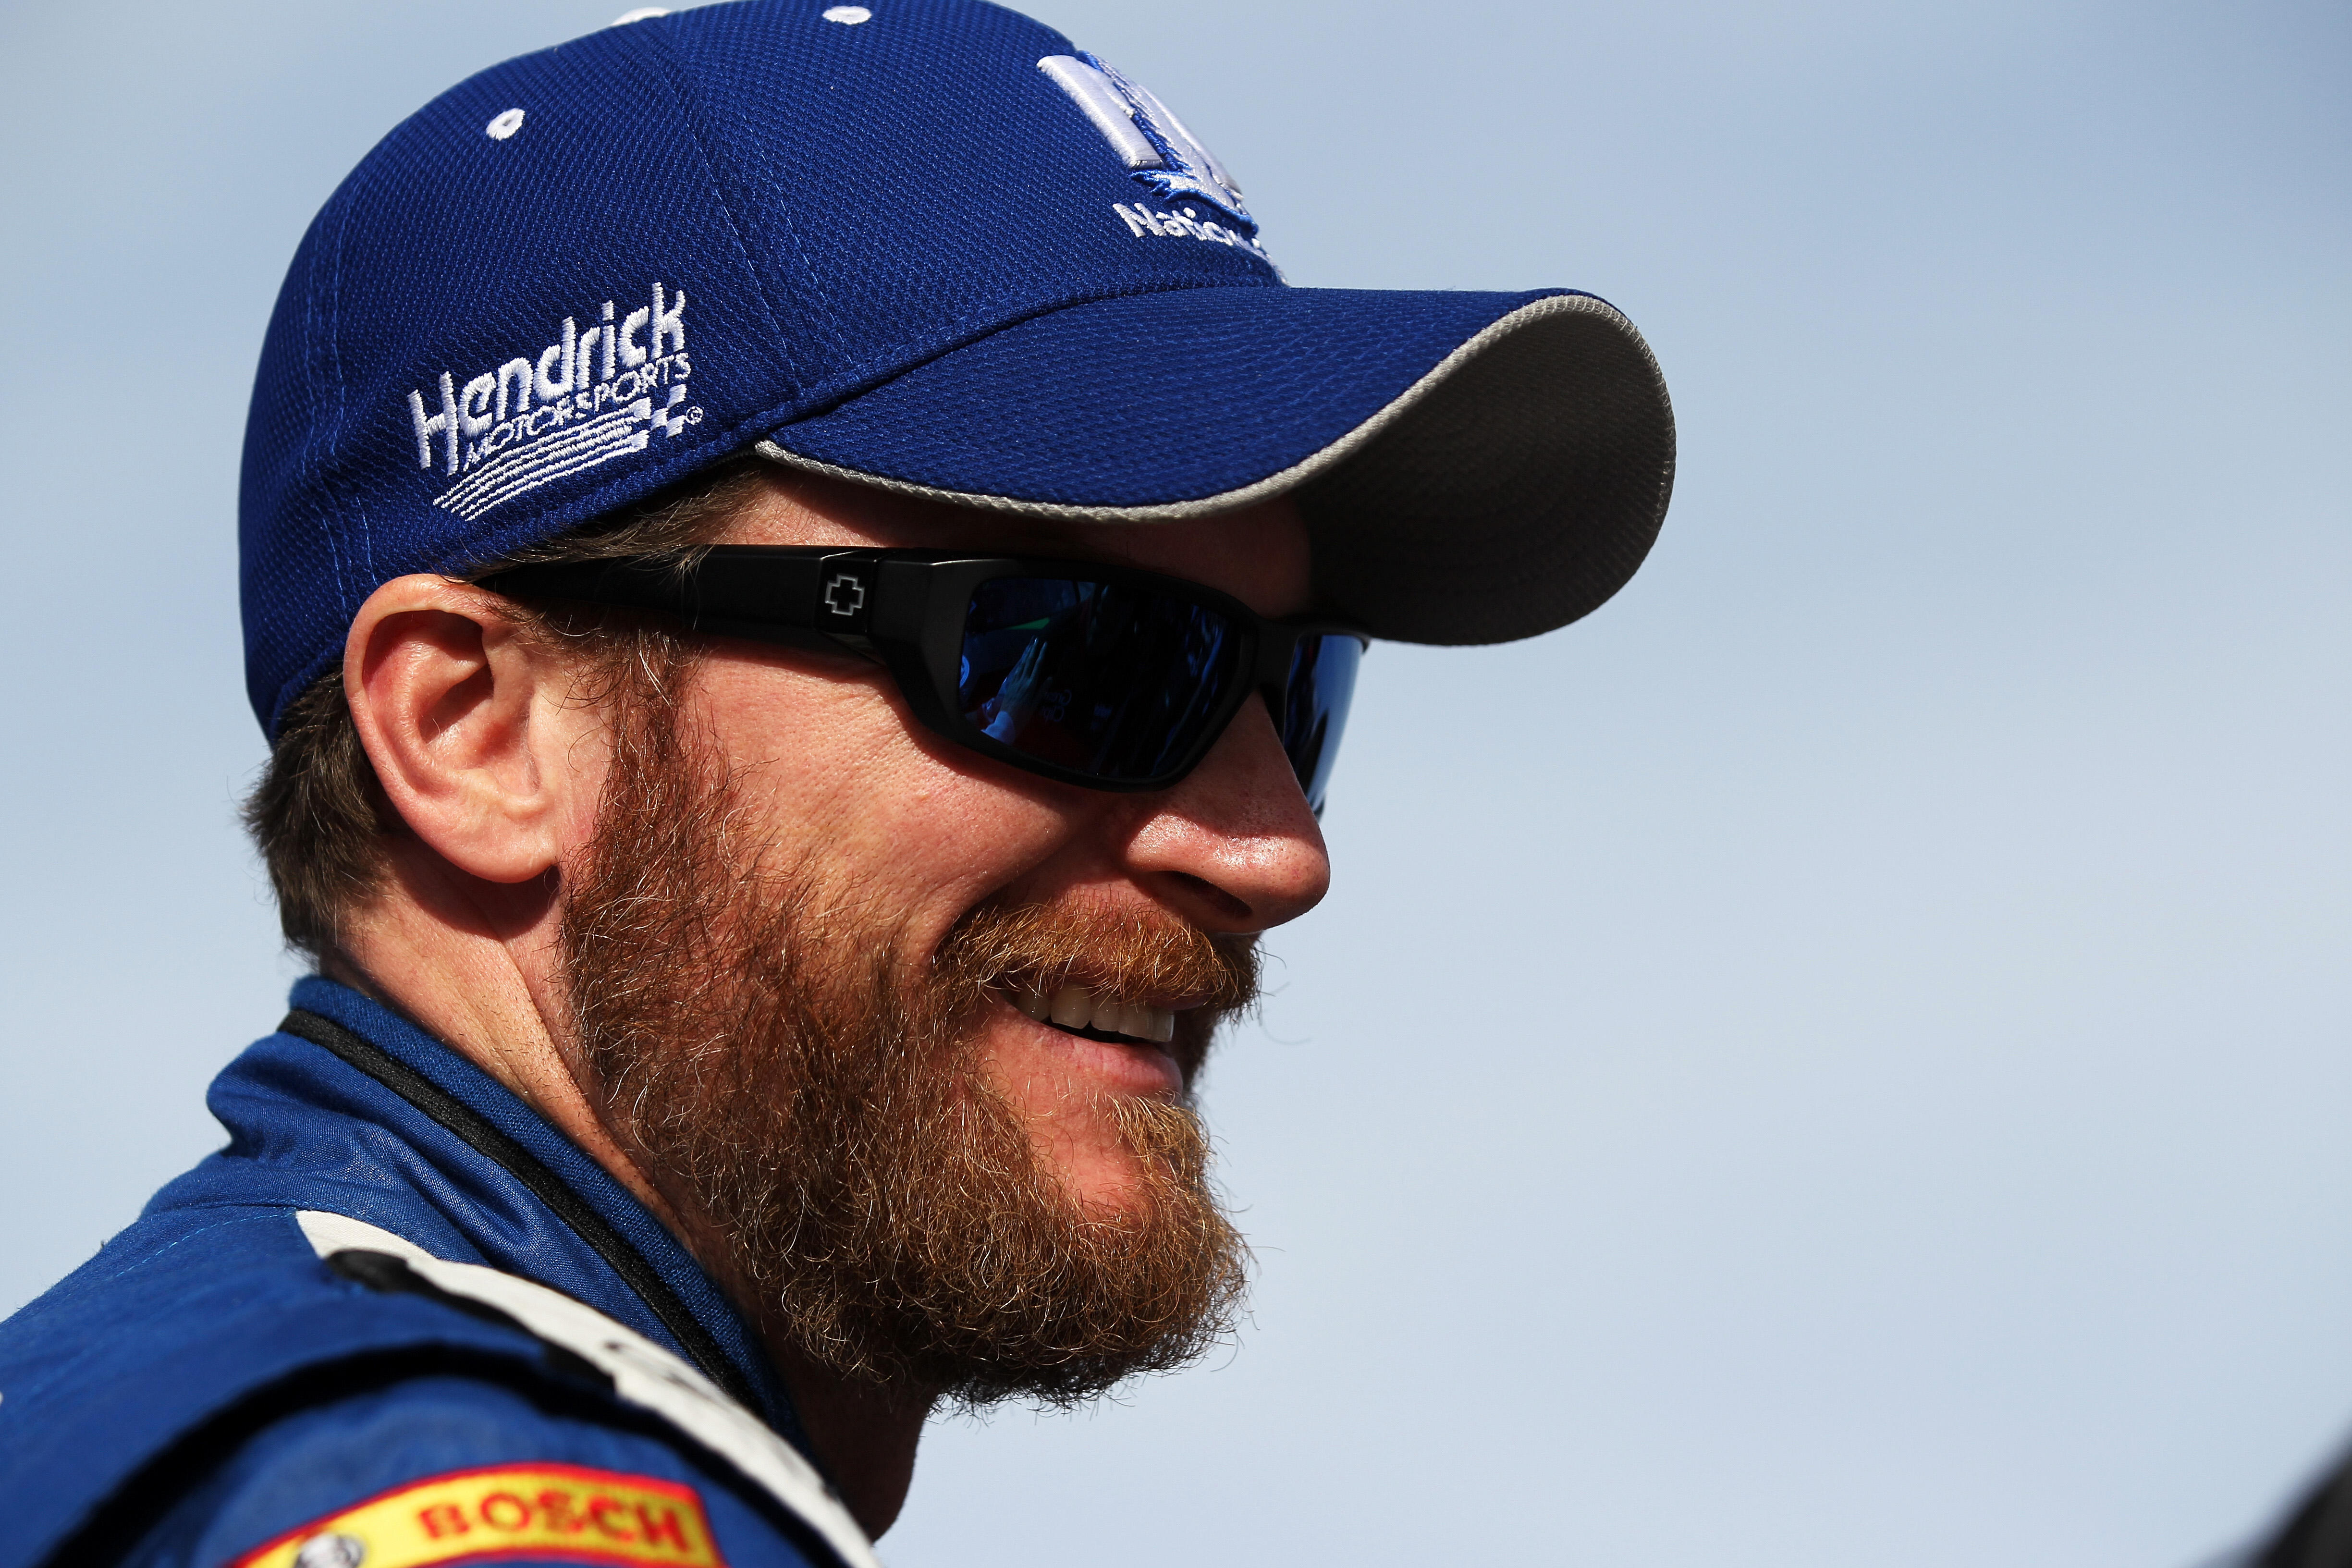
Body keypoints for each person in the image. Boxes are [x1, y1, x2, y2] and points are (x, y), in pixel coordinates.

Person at [0, 2, 1674, 1564]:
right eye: (1076, 657)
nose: (1273, 848)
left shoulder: (164, 1428)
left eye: (1297, 686)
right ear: (477, 732)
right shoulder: (460, 1504)